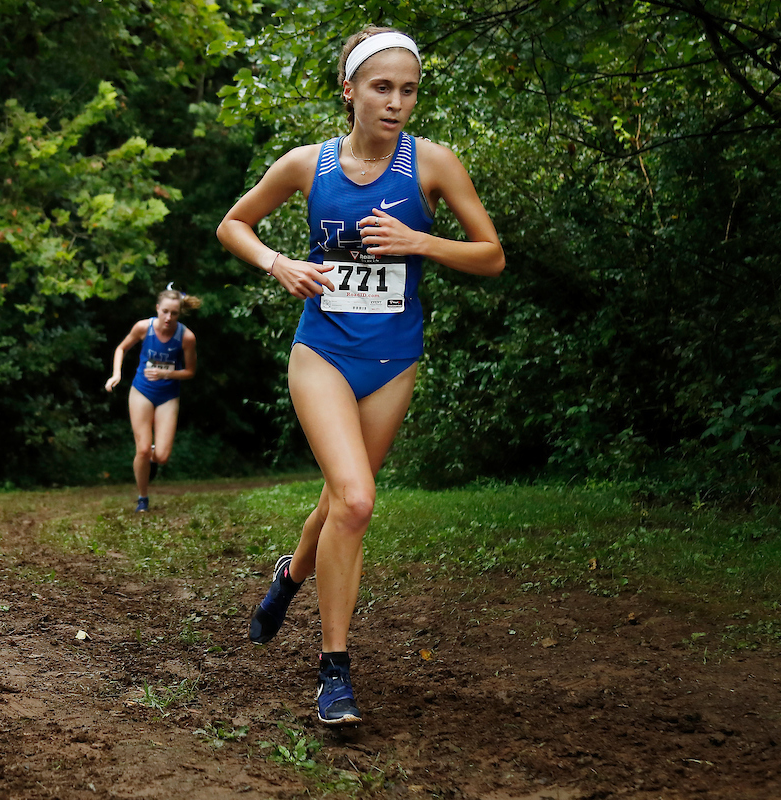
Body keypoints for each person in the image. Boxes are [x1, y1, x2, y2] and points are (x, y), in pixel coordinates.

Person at [215, 26, 504, 726]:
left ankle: (290, 576)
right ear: (349, 91)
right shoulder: (306, 165)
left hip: (393, 360)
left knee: (343, 503)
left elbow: (491, 254)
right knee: (357, 500)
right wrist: (277, 263)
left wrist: (421, 242)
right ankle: (335, 671)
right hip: (322, 352)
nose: (396, 102)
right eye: (382, 87)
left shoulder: (432, 164)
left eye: (408, 90)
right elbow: (233, 224)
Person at [104, 286, 201, 512]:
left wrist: (166, 374)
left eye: (174, 313)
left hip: (168, 395)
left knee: (162, 456)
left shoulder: (186, 337)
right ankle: (143, 498)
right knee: (143, 450)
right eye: (165, 311)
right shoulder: (143, 328)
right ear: (157, 308)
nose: (168, 317)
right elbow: (121, 348)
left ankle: (153, 454)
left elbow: (190, 372)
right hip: (142, 391)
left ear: (179, 314)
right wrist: (116, 373)